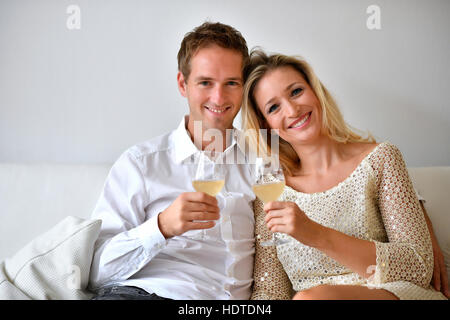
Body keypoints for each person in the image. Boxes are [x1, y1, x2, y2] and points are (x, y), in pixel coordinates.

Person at [241, 49, 448, 300]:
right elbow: (269, 290)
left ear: (316, 92)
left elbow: (418, 266)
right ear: (266, 125)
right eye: (274, 107)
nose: (292, 109)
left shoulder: (381, 159)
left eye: (296, 91)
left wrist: (316, 234)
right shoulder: (270, 191)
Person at [88, 22, 256, 300]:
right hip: (143, 294)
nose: (218, 97)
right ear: (183, 84)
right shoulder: (141, 164)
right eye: (205, 82)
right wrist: (162, 226)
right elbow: (96, 272)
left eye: (231, 83)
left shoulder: (262, 161)